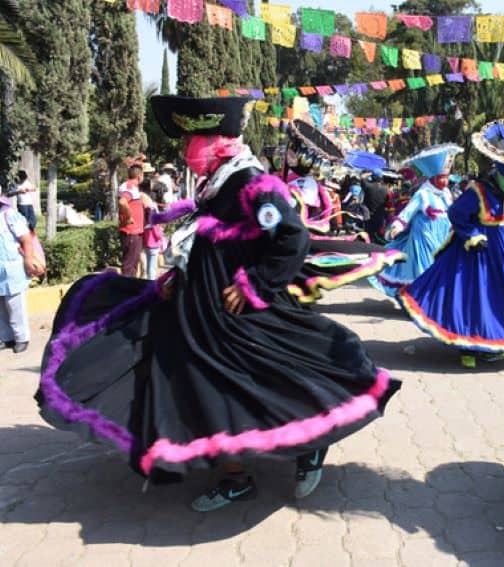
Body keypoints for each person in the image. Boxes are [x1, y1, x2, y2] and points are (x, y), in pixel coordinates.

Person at [36, 95, 400, 511]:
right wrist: (177, 277)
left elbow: (290, 237)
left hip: (238, 318)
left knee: (260, 386)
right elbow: (205, 245)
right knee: (205, 393)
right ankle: (236, 475)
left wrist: (255, 285)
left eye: (194, 141)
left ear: (217, 142)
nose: (187, 150)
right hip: (199, 315)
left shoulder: (251, 184)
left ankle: (306, 446)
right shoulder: (219, 182)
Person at [398, 120, 504, 368]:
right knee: (473, 298)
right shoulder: (479, 190)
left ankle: (495, 341)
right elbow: (457, 214)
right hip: (477, 254)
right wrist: (472, 234)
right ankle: (468, 348)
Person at [282, 119, 404, 305]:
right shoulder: (385, 190)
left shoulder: (304, 186)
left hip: (360, 217)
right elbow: (389, 206)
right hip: (375, 217)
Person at [369, 144, 462, 297]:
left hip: (443, 235)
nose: (445, 181)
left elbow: (452, 211)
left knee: (439, 266)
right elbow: (408, 211)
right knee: (425, 266)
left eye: (446, 177)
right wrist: (398, 225)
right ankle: (422, 296)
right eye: (442, 178)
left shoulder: (446, 194)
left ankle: (432, 297)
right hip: (423, 234)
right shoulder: (423, 193)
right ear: (433, 177)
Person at [1, 196, 43, 353]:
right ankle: (6, 338)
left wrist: (28, 260)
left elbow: (26, 239)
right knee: (1, 307)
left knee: (15, 306)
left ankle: (21, 338)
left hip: (12, 269)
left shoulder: (9, 214)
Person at [117, 165, 145, 277]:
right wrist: (128, 217)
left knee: (133, 264)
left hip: (134, 232)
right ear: (139, 175)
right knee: (129, 266)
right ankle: (126, 291)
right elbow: (122, 202)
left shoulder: (132, 187)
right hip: (131, 232)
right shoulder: (130, 187)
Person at [140, 179, 165, 281]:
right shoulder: (152, 208)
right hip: (153, 242)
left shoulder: (144, 207)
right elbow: (155, 227)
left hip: (145, 240)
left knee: (146, 264)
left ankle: (145, 280)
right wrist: (160, 236)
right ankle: (150, 283)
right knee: (152, 266)